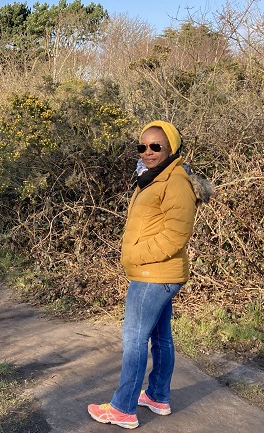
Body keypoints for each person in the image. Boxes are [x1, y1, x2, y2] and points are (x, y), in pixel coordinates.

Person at [88, 120, 210, 429]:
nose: (148, 152)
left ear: (171, 148)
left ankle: (123, 408)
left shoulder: (176, 182)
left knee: (134, 339)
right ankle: (157, 396)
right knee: (160, 337)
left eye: (156, 146)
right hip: (156, 273)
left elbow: (175, 236)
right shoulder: (153, 179)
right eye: (142, 146)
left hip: (153, 274)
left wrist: (135, 255)